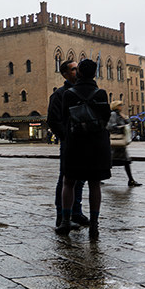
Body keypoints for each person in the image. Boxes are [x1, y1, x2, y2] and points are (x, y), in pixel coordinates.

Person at [59, 59, 111, 238]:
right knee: (94, 184)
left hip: (76, 144)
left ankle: (65, 222)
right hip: (97, 145)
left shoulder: (69, 94)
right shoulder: (101, 94)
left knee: (69, 182)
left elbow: (65, 119)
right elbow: (106, 118)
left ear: (79, 73)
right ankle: (94, 226)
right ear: (95, 74)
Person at [48, 59, 87, 232]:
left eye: (78, 69)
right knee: (66, 180)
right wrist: (66, 137)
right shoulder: (59, 95)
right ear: (64, 74)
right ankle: (62, 216)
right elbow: (53, 121)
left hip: (84, 142)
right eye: (73, 69)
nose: (77, 72)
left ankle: (76, 212)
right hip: (70, 143)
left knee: (80, 179)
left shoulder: (83, 92)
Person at [107, 100, 141, 187]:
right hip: (116, 143)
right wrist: (121, 127)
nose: (122, 106)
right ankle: (97, 178)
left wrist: (126, 118)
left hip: (120, 144)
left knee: (125, 161)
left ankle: (131, 180)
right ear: (116, 106)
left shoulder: (120, 115)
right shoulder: (113, 114)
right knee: (111, 162)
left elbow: (129, 124)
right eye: (120, 105)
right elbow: (110, 126)